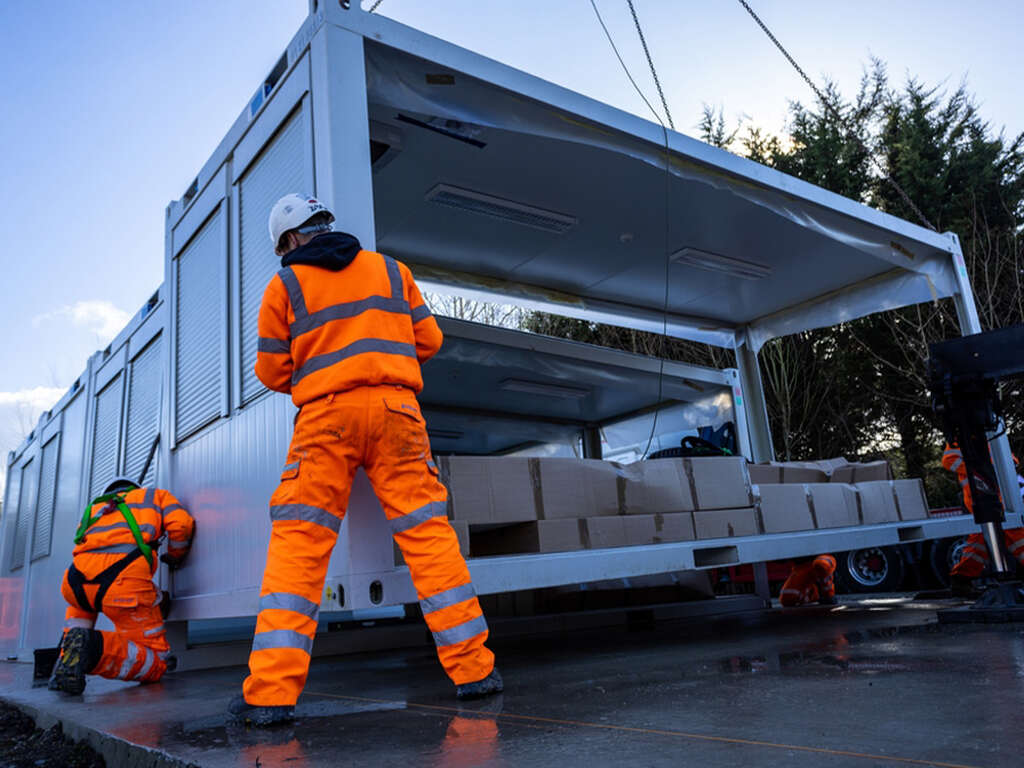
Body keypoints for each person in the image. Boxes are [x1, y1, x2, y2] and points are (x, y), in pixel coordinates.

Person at [229, 194, 500, 726]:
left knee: (300, 546)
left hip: (324, 418)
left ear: (288, 241)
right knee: (428, 536)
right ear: (325, 223)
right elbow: (431, 339)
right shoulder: (391, 271)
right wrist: (385, 361)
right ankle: (475, 671)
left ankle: (270, 696)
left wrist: (319, 376)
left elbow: (269, 370)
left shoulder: (283, 286)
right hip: (399, 411)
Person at [48, 477, 195, 695]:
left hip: (76, 583)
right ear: (135, 489)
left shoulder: (95, 509)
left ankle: (62, 669)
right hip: (122, 584)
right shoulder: (154, 496)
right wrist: (174, 556)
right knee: (155, 660)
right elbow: (181, 525)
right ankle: (94, 650)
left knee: (76, 630)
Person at [943, 442, 1024, 594]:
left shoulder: (990, 437)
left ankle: (961, 578)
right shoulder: (959, 436)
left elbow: (1011, 461)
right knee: (1013, 531)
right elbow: (949, 460)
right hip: (980, 496)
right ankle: (961, 578)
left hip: (997, 495)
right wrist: (977, 472)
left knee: (982, 538)